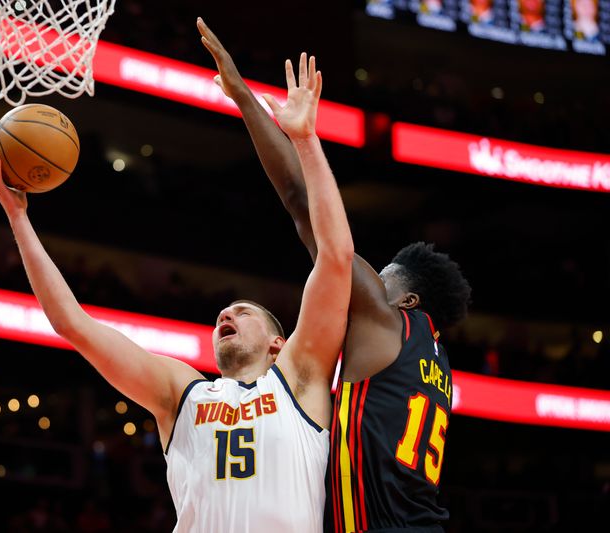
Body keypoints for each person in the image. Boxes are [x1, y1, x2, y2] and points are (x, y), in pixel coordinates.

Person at [0, 52, 354, 533]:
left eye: (243, 311)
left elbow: (336, 257)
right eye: (226, 310)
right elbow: (72, 324)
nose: (227, 313)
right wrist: (19, 219)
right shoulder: (182, 392)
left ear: (277, 342)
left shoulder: (299, 379)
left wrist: (304, 140)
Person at [198, 18, 472, 533]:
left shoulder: (388, 323)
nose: (367, 284)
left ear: (407, 300)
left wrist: (242, 96)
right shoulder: (436, 363)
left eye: (383, 278)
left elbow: (304, 207)